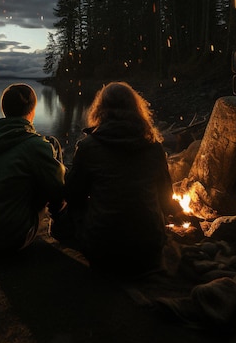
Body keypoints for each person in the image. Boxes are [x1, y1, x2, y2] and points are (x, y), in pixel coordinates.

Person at [63, 81, 177, 276]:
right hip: (148, 252)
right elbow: (167, 201)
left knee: (62, 220)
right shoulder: (154, 147)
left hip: (103, 252)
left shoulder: (88, 146)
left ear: (100, 109)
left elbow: (73, 196)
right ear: (136, 109)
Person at [0, 83, 66, 253]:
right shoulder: (35, 145)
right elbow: (59, 188)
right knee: (51, 157)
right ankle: (61, 225)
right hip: (12, 238)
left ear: (4, 110)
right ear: (32, 110)